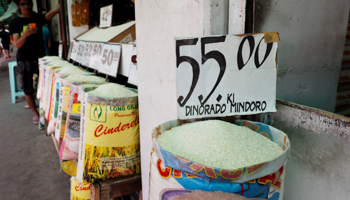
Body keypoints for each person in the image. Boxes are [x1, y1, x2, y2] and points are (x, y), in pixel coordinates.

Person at [9, 0, 60, 123]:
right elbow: (19, 45)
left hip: (41, 59)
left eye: (28, 3)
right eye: (23, 4)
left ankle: (45, 110)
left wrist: (58, 9)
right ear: (18, 6)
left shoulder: (37, 17)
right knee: (28, 88)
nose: (26, 6)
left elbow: (46, 16)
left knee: (45, 85)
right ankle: (35, 113)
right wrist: (26, 34)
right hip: (25, 60)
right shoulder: (15, 22)